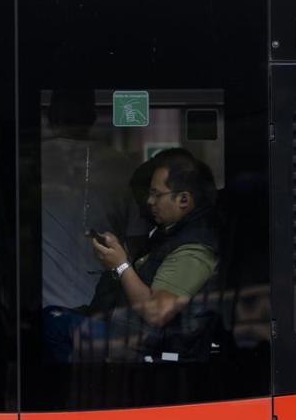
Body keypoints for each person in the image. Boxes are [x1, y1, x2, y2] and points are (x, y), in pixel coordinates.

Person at [88, 149, 223, 360]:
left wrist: (121, 265)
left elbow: (157, 312)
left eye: (155, 194)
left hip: (150, 348)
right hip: (130, 336)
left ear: (183, 200)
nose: (149, 202)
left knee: (55, 326)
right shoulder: (170, 233)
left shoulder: (195, 248)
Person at [39, 88, 141, 363]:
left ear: (49, 118)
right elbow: (139, 244)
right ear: (93, 118)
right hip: (102, 313)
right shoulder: (123, 166)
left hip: (45, 310)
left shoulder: (28, 163)